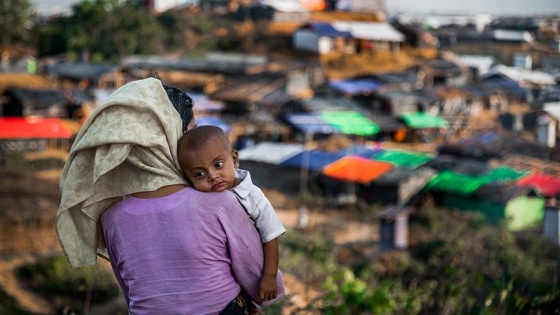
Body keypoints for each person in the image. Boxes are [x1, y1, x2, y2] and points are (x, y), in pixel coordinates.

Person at [56, 77, 284, 314]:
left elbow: (131, 292)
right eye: (190, 132)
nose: (195, 143)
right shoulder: (219, 202)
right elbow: (261, 284)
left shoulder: (111, 218)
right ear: (165, 135)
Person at [177, 125, 286, 302]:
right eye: (199, 174)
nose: (213, 176)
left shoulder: (253, 196)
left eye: (218, 165)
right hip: (220, 279)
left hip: (253, 274)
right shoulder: (197, 200)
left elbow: (271, 236)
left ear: (234, 159)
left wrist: (269, 276)